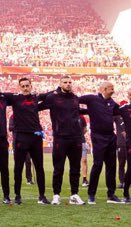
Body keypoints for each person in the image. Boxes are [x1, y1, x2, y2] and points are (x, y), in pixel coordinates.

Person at [4, 77, 49, 204]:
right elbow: (0, 96)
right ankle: (17, 195)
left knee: (39, 167)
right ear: (19, 87)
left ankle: (42, 196)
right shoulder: (15, 98)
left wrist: (58, 90)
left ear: (31, 86)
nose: (25, 88)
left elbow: (49, 95)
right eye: (22, 86)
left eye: (27, 85)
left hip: (35, 137)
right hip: (21, 137)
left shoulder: (36, 98)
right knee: (18, 167)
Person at [43, 77, 84, 205]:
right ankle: (56, 195)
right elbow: (37, 106)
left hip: (76, 137)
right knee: (58, 168)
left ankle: (74, 195)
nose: (68, 84)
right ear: (60, 84)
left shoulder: (75, 98)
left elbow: (78, 112)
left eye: (70, 82)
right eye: (65, 82)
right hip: (60, 137)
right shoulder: (52, 97)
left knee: (75, 168)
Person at [79, 81, 121, 204]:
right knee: (97, 165)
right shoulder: (92, 99)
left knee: (112, 166)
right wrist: (86, 111)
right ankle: (91, 194)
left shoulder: (113, 103)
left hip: (111, 137)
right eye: (111, 88)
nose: (113, 90)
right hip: (98, 137)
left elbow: (122, 112)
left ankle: (111, 194)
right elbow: (75, 101)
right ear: (103, 89)